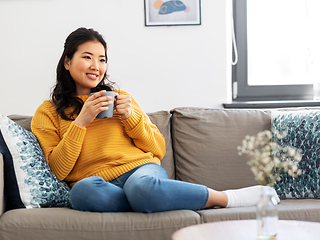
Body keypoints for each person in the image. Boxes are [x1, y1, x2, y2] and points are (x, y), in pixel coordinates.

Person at [31, 27, 280, 213]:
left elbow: (158, 148)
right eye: (87, 57)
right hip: (96, 184)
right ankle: (147, 202)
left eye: (102, 59)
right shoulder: (47, 112)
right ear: (67, 61)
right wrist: (81, 122)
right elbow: (58, 170)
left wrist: (131, 117)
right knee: (81, 194)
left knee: (142, 189)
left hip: (141, 171)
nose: (96, 65)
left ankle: (224, 198)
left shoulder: (121, 99)